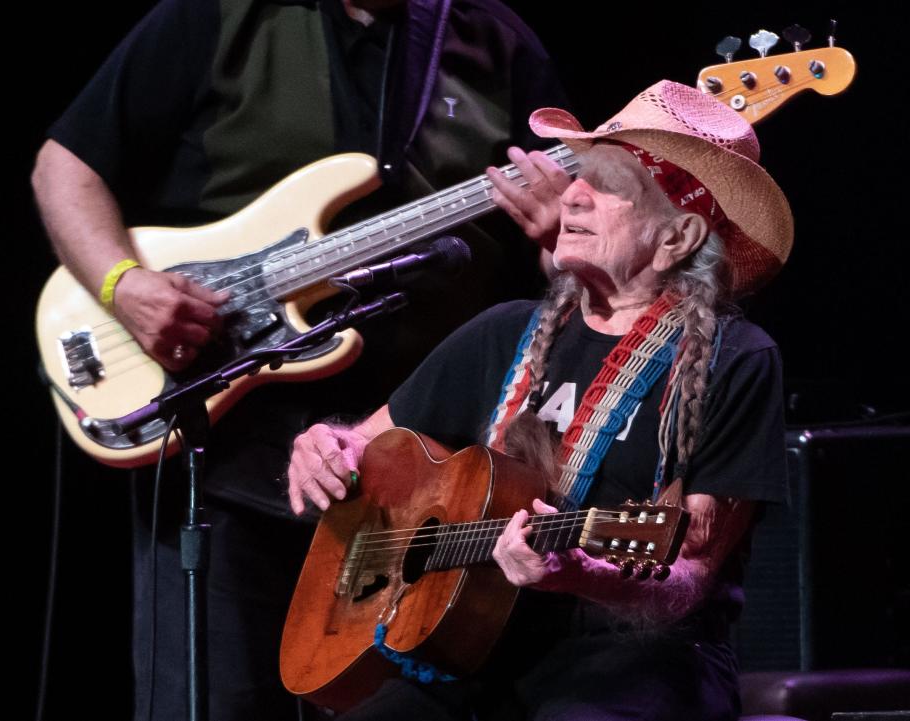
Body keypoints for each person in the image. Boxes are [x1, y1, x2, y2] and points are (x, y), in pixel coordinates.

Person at [31, 1, 569, 720]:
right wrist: (121, 285)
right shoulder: (215, 16)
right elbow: (63, 167)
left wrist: (560, 230)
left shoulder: (498, 41)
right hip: (224, 458)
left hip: (415, 474)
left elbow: (565, 256)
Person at [287, 79, 792, 720]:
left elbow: (689, 576)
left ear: (678, 236)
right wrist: (328, 449)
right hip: (470, 643)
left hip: (631, 661)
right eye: (579, 173)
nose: (571, 193)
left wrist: (579, 574)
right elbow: (367, 445)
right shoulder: (503, 330)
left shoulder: (737, 359)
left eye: (608, 185)